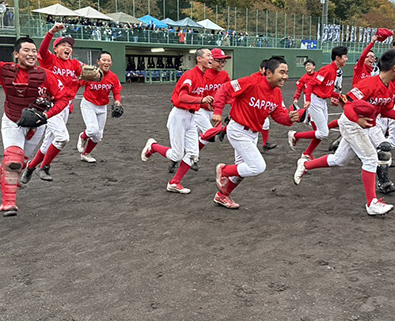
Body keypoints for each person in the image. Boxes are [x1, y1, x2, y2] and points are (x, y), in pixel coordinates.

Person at [293, 49, 395, 216]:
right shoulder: (369, 84)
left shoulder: (390, 86)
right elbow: (348, 104)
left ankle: (305, 165)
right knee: (370, 158)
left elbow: (385, 110)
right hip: (351, 123)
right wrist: (357, 120)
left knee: (339, 159)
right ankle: (372, 203)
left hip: (360, 125)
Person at [0, 35, 68, 216]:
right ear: (16, 54)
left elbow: (63, 99)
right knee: (14, 160)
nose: (31, 54)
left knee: (20, 164)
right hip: (13, 121)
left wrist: (46, 115)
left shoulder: (45, 75)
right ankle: (8, 204)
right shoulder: (6, 70)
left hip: (36, 126)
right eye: (26, 50)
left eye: (34, 51)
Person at [210, 57, 301, 209]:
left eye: (286, 73)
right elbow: (225, 88)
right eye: (282, 72)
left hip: (252, 134)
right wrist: (218, 111)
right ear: (269, 73)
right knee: (257, 167)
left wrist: (289, 118)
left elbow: (279, 115)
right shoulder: (252, 82)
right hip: (238, 130)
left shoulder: (276, 93)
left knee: (241, 172)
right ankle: (223, 170)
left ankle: (221, 196)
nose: (285, 76)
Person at [24, 24, 100, 181]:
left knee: (47, 144)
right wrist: (51, 32)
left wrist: (97, 74)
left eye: (69, 46)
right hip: (49, 105)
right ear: (56, 49)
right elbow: (42, 50)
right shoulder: (50, 60)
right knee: (62, 137)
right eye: (63, 45)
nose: (67, 48)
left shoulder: (74, 64)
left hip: (64, 107)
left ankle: (30, 168)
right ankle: (44, 167)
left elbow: (88, 74)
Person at [140, 48, 214, 194]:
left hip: (191, 117)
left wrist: (206, 104)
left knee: (193, 154)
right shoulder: (191, 74)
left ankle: (174, 183)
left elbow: (195, 99)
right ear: (199, 59)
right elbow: (182, 97)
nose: (211, 58)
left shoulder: (203, 76)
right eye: (208, 55)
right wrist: (201, 100)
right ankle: (153, 146)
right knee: (177, 155)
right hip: (179, 116)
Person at [288, 46, 347, 159]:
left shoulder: (334, 71)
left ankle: (307, 153)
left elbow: (328, 91)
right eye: (345, 57)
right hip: (315, 101)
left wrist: (340, 97)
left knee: (321, 132)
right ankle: (295, 135)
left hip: (322, 102)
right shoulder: (327, 70)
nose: (346, 59)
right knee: (323, 132)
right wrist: (308, 100)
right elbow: (311, 84)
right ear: (337, 58)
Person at [76, 51, 122, 163]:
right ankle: (83, 137)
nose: (106, 62)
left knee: (98, 136)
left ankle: (85, 154)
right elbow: (77, 84)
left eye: (108, 60)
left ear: (111, 63)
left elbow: (116, 92)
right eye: (104, 60)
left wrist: (117, 101)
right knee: (92, 130)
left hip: (102, 107)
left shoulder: (113, 77)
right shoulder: (91, 74)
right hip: (89, 104)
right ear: (98, 62)